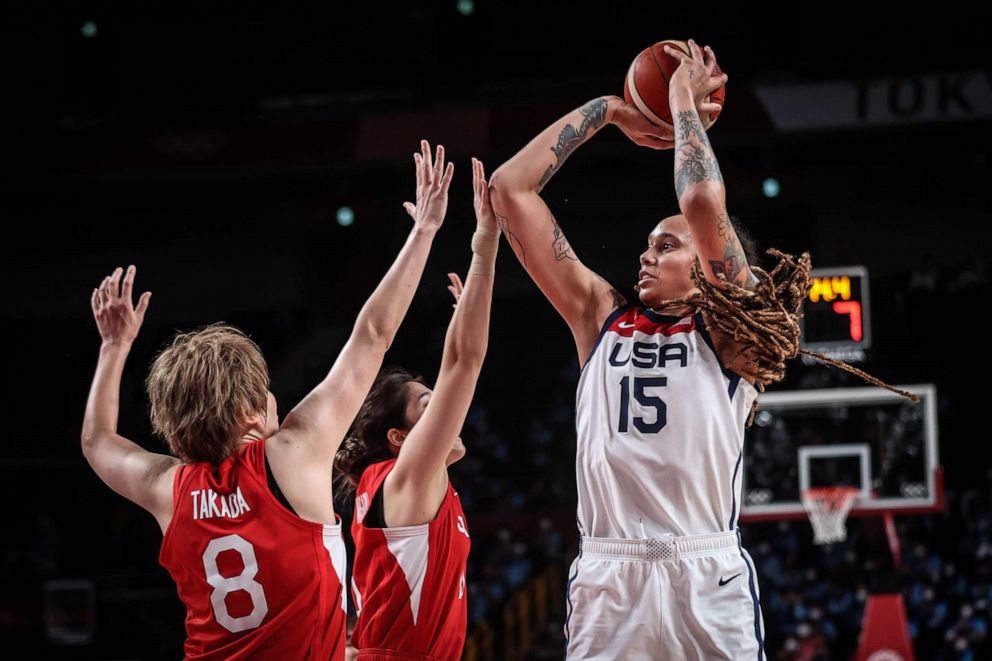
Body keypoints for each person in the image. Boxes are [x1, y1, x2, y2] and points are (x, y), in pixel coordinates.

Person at [80, 140, 454, 659]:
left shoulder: (166, 488)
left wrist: (114, 348)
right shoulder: (292, 453)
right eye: (267, 394)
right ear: (249, 412)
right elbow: (372, 333)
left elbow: (97, 441)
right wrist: (424, 230)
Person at [488, 40, 782, 658]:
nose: (647, 254)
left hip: (704, 569)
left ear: (708, 266)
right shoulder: (601, 318)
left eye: (667, 246)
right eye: (648, 244)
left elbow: (701, 203)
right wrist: (609, 110)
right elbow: (510, 189)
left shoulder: (735, 334)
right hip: (610, 574)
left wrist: (680, 107)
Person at [336, 157, 498, 660]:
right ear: (400, 439)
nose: (446, 412)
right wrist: (485, 242)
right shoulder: (403, 479)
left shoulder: (387, 485)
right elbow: (465, 363)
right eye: (427, 406)